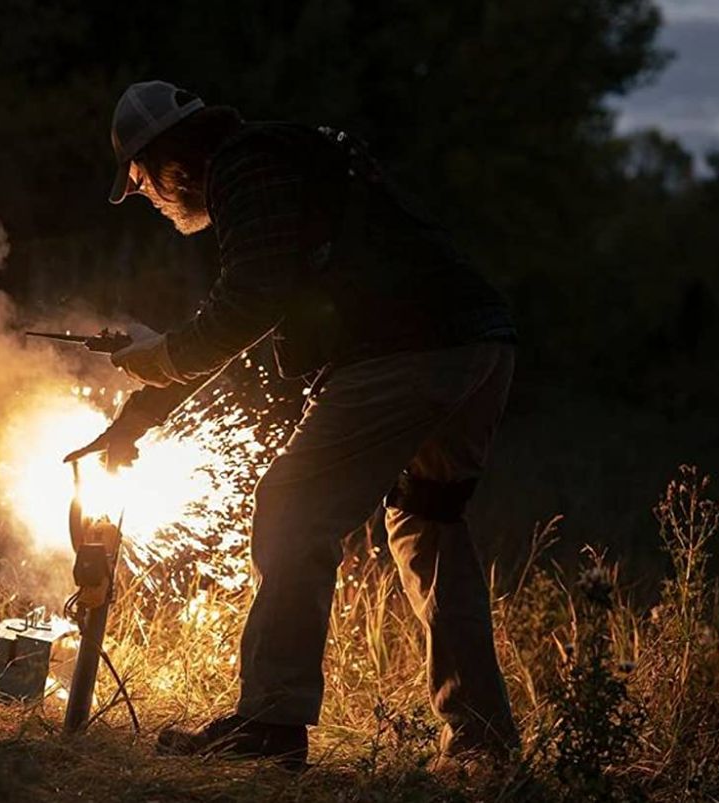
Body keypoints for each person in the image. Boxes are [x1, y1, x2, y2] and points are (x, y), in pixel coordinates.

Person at [65, 80, 520, 769]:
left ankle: (269, 723)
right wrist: (136, 418)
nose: (151, 202)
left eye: (142, 184)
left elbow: (245, 305)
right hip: (478, 347)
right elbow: (247, 311)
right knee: (428, 527)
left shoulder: (246, 169)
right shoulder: (275, 164)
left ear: (171, 162)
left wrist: (153, 357)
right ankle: (482, 744)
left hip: (405, 351)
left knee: (290, 507)